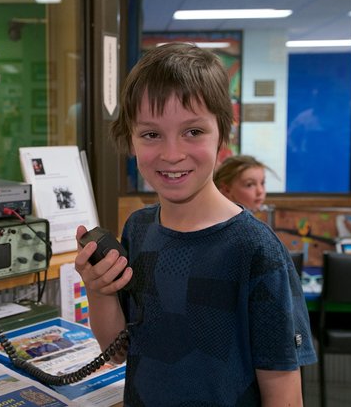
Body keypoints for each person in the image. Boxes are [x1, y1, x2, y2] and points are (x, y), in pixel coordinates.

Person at [74, 43, 316, 406]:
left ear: (222, 137)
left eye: (193, 132)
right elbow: (116, 351)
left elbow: (284, 392)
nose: (172, 154)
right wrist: (99, 289)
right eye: (151, 134)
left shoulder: (256, 249)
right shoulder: (138, 229)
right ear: (131, 141)